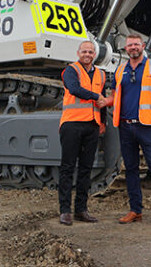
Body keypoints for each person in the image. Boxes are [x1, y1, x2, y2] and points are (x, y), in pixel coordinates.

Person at [104, 34, 151, 227]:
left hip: (148, 125)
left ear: (142, 46)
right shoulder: (120, 70)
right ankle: (135, 210)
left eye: (136, 44)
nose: (133, 47)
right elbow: (114, 96)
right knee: (131, 169)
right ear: (125, 49)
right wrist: (101, 101)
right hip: (126, 126)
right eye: (130, 45)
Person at [57, 40, 109, 226]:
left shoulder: (101, 74)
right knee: (68, 167)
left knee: (86, 168)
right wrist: (96, 96)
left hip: (92, 125)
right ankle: (64, 210)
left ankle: (81, 209)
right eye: (84, 51)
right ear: (78, 53)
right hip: (72, 124)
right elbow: (74, 89)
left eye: (90, 52)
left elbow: (103, 101)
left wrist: (102, 121)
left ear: (94, 55)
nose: (87, 54)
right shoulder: (71, 70)